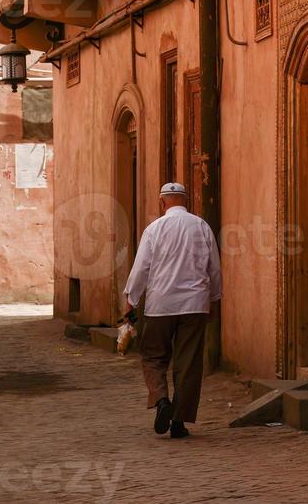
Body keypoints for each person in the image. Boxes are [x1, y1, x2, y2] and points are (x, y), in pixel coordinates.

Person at [124, 182, 221, 439]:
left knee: (154, 357)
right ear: (185, 201)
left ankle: (161, 400)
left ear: (162, 202)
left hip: (160, 305)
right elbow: (214, 268)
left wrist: (131, 299)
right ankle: (179, 421)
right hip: (194, 305)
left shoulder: (154, 229)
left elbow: (141, 267)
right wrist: (213, 299)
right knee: (188, 364)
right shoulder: (201, 226)